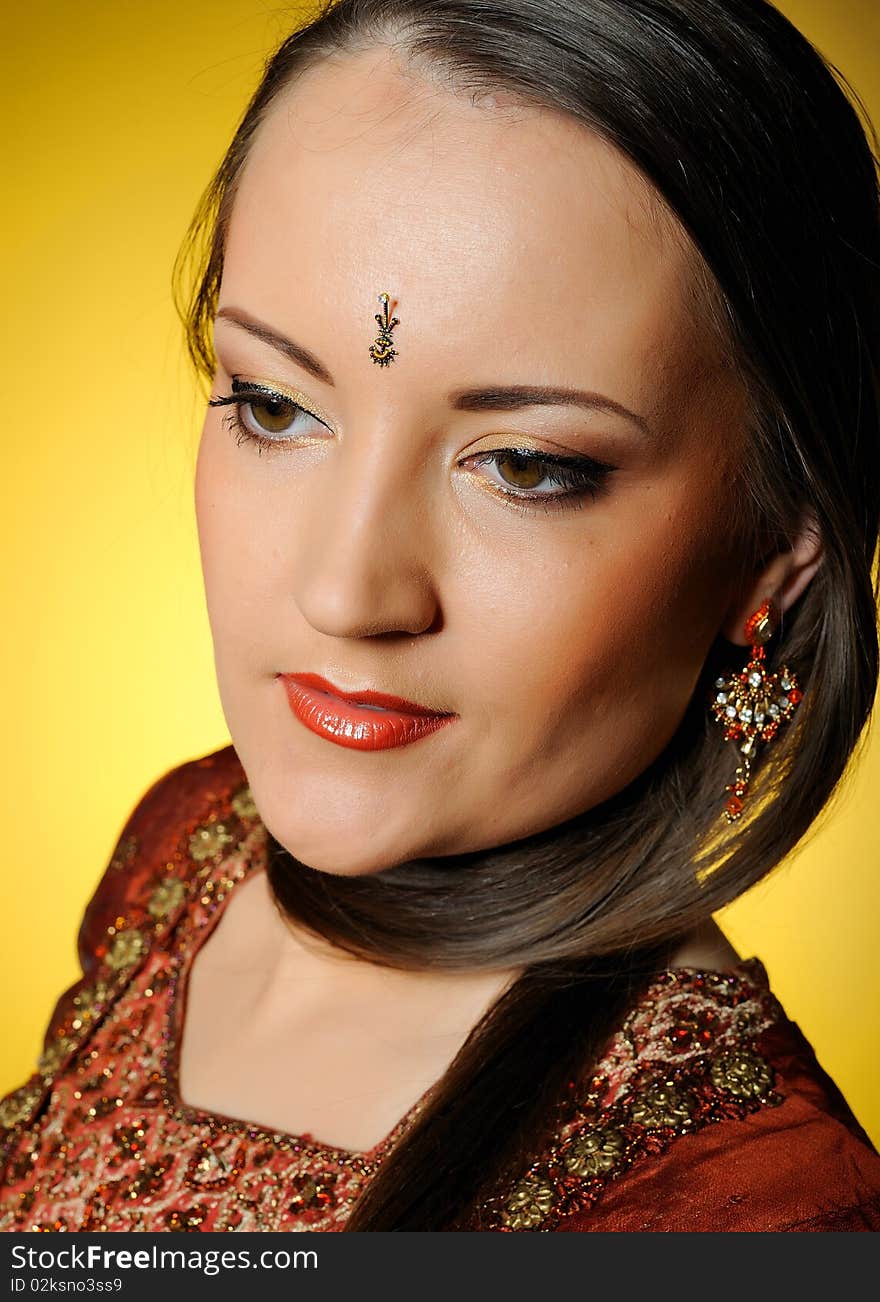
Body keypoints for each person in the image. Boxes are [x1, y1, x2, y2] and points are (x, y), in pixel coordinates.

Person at [1, 0, 879, 1233]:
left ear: (775, 554)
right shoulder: (188, 847)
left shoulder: (753, 1209)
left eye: (523, 465)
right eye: (272, 403)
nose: (347, 593)